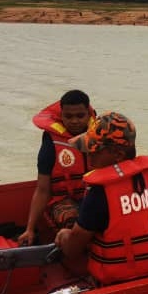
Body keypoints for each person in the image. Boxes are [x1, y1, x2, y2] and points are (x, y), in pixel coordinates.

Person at [55, 112, 148, 285]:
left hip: (116, 283)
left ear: (118, 154)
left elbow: (73, 250)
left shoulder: (99, 193)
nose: (89, 158)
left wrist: (65, 236)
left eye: (94, 151)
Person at [18, 90, 96, 246]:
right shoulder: (50, 142)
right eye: (68, 116)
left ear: (89, 114)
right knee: (76, 223)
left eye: (80, 116)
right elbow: (42, 189)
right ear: (61, 116)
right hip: (62, 201)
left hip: (93, 197)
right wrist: (30, 229)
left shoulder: (102, 135)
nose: (74, 121)